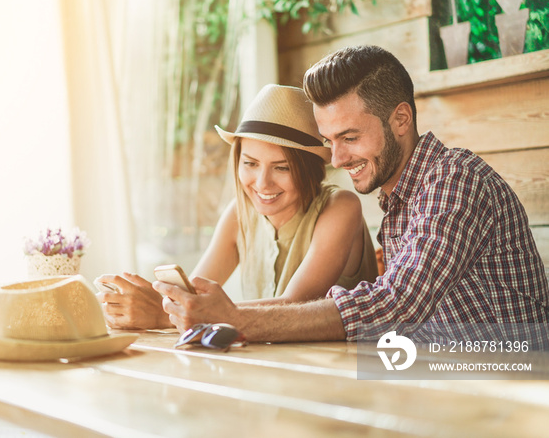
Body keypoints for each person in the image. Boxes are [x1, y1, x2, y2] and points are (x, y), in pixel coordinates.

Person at [155, 45, 549, 345]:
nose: (338, 158)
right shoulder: (400, 203)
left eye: (350, 137)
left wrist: (238, 320)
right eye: (329, 141)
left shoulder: (453, 178)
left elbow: (399, 304)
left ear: (400, 120)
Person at [96, 84, 379, 329]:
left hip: (342, 371)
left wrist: (162, 315)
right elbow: (194, 294)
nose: (262, 183)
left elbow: (295, 306)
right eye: (250, 164)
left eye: (281, 168)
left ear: (310, 170)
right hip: (266, 366)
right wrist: (149, 301)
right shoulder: (239, 213)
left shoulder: (340, 207)